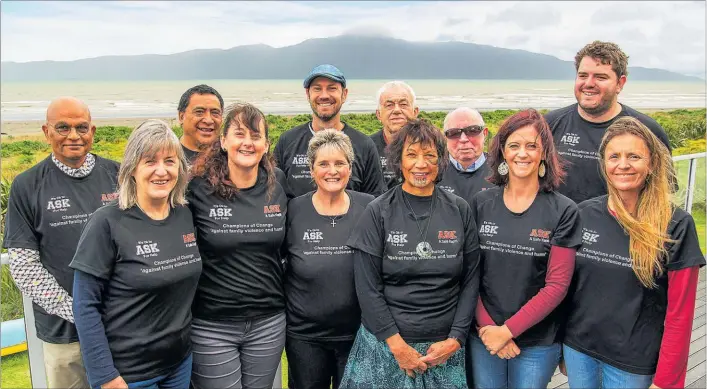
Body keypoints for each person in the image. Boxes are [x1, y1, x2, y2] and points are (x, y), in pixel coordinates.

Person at [561, 117, 704, 389]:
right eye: (614, 156)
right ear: (603, 164)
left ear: (651, 164)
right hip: (579, 351)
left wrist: (666, 382)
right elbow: (570, 290)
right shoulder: (584, 214)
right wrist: (562, 349)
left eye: (634, 156)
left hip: (633, 364)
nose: (623, 164)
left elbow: (680, 314)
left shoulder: (675, 224)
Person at [340, 119, 481, 389]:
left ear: (441, 161)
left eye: (430, 156)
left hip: (443, 350)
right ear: (398, 160)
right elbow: (368, 287)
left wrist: (456, 338)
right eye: (412, 154)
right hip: (385, 347)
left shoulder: (459, 210)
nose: (421, 164)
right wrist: (396, 345)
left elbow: (471, 279)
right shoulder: (378, 211)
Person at [71, 119, 200, 389]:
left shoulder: (184, 216)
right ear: (132, 169)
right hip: (129, 374)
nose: (161, 171)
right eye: (150, 161)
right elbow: (85, 305)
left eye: (170, 161)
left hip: (178, 363)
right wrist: (104, 374)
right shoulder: (106, 222)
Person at [2, 97, 119, 389]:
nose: (74, 136)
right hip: (64, 332)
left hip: (120, 324)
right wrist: (79, 311)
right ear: (46, 132)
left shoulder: (119, 175)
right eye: (63, 127)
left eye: (82, 127)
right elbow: (24, 265)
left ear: (93, 131)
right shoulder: (27, 184)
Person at [469, 109, 582, 389]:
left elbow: (556, 285)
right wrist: (488, 329)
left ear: (544, 152)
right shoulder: (481, 204)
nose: (523, 153)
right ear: (503, 152)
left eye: (532, 146)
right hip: (484, 334)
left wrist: (508, 331)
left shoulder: (564, 210)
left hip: (537, 341)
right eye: (514, 145)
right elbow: (468, 273)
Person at [187, 103, 289, 389]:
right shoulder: (197, 188)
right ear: (223, 141)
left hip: (268, 321)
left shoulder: (277, 183)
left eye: (256, 136)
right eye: (239, 134)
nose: (248, 142)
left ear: (266, 144)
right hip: (212, 325)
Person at [284, 129, 375, 389]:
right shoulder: (294, 210)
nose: (332, 171)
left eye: (339, 163)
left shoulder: (370, 208)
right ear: (311, 170)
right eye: (323, 164)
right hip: (305, 338)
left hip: (359, 334)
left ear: (350, 168)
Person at [545, 41, 672, 204]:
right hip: (561, 227)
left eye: (600, 77)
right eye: (583, 75)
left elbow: (663, 192)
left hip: (622, 227)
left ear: (620, 83)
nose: (589, 83)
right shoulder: (550, 124)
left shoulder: (647, 130)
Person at [274, 64, 385, 197]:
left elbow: (376, 201)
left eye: (332, 88)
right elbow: (274, 194)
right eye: (317, 89)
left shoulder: (364, 145)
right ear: (307, 94)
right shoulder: (287, 141)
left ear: (344, 94)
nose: (324, 95)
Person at [370, 81, 419, 189]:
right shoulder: (366, 147)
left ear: (415, 112)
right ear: (378, 114)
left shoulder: (428, 146)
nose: (397, 110)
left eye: (403, 104)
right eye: (389, 105)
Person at [438, 107, 494, 200]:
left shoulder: (502, 170)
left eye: (472, 130)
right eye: (454, 133)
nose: (463, 139)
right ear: (445, 138)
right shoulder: (434, 170)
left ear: (484, 134)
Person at [178, 84, 224, 162]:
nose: (208, 120)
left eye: (215, 112)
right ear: (181, 117)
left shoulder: (229, 157)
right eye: (199, 112)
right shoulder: (168, 156)